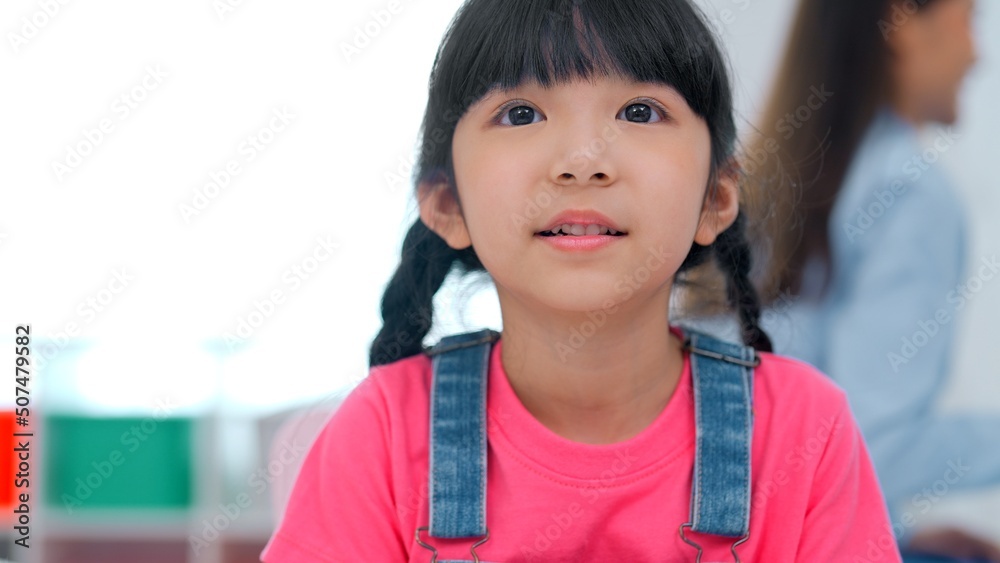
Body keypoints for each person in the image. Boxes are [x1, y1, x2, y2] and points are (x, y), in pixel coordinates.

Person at [260, 0, 903, 560]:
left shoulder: (804, 433)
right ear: (446, 205)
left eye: (641, 111)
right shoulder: (380, 433)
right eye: (520, 114)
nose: (582, 162)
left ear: (716, 197)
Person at [741, 0, 1000, 560]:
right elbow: (877, 444)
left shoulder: (775, 179)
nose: (977, 54)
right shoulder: (910, 190)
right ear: (902, 22)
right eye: (969, 19)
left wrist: (897, 534)